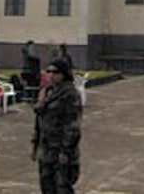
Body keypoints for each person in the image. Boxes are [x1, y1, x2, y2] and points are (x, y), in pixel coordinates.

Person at [31, 58, 82, 194]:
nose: (51, 75)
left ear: (63, 74)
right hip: (46, 150)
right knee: (47, 186)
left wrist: (66, 152)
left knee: (62, 188)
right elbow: (39, 121)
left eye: (55, 72)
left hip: (61, 151)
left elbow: (73, 127)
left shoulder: (70, 94)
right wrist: (35, 144)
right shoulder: (46, 92)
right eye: (48, 72)